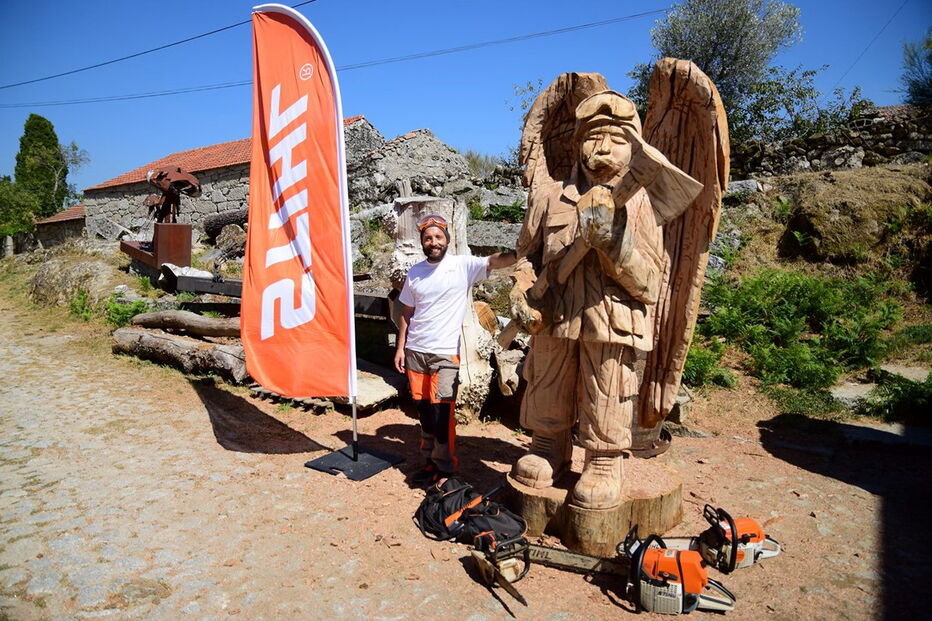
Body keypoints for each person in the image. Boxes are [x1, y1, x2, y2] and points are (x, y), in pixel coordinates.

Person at [509, 91, 677, 510]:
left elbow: (651, 283)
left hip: (610, 318)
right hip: (554, 315)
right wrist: (519, 289)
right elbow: (526, 257)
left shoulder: (639, 203)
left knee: (607, 386)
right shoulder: (550, 198)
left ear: (634, 149)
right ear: (576, 144)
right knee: (547, 380)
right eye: (592, 137)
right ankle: (548, 445)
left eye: (617, 140)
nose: (602, 148)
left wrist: (614, 244)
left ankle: (603, 460)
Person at [394, 214, 516, 484]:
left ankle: (445, 470)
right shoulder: (415, 273)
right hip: (415, 350)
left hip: (445, 353)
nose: (433, 242)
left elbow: (494, 261)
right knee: (424, 410)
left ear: (447, 239)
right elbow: (406, 312)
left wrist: (521, 252)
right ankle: (430, 463)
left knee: (442, 413)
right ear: (422, 242)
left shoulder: (462, 265)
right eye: (428, 238)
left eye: (438, 237)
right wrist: (400, 347)